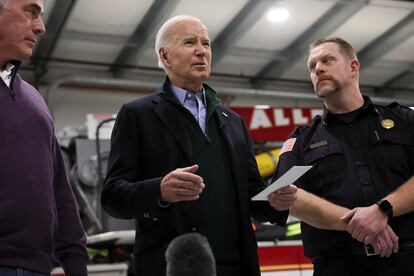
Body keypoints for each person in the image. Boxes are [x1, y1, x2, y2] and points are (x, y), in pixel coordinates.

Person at [101, 15, 297, 276]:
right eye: (190, 42)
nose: (201, 51)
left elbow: (252, 197)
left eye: (206, 43)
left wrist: (275, 201)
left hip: (237, 267)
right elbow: (113, 196)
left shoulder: (234, 122)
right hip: (173, 268)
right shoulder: (138, 115)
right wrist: (159, 190)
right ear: (166, 56)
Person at [274, 36, 414, 275]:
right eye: (312, 66)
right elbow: (288, 196)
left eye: (327, 60)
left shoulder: (404, 120)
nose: (318, 68)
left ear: (353, 67)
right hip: (337, 266)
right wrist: (362, 223)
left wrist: (383, 210)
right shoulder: (300, 141)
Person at [0, 0, 88, 275]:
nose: (40, 26)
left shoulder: (34, 99)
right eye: (31, 11)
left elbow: (60, 188)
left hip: (36, 267)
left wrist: (74, 260)